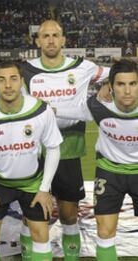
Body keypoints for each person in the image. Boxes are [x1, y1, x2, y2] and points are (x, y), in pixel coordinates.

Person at [20, 19, 110, 260]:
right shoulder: (24, 70)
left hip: (69, 151)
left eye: (55, 35)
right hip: (34, 153)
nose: (50, 40)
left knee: (70, 215)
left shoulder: (83, 67)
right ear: (37, 41)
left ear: (63, 40)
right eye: (45, 35)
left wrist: (107, 85)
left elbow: (121, 73)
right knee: (33, 216)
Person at [0, 61, 62, 261]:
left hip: (33, 183)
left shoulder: (40, 109)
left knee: (40, 234)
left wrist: (45, 188)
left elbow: (54, 147)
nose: (8, 85)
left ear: (21, 81)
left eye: (13, 79)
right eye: (1, 80)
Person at [54, 59, 138, 261]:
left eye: (133, 84)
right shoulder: (97, 107)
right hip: (109, 173)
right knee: (105, 231)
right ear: (111, 85)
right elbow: (65, 111)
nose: (127, 91)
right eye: (120, 84)